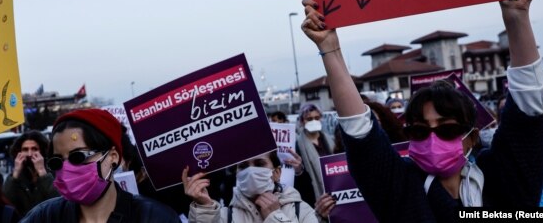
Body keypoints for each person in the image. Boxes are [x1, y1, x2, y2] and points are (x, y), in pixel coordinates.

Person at [301, 0, 543, 220]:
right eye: (419, 130)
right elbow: (359, 132)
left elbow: (529, 108)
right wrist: (329, 48)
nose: (432, 139)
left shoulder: (501, 178)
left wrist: (517, 17)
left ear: (472, 138)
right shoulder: (403, 189)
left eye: (446, 128)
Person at [20, 108, 180, 222]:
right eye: (57, 161)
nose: (67, 168)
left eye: (78, 156)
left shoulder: (153, 217)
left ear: (112, 157)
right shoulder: (44, 217)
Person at [182, 150, 318, 222]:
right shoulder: (223, 216)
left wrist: (275, 217)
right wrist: (204, 209)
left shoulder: (301, 211)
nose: (250, 171)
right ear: (237, 174)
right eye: (243, 166)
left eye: (259, 164)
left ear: (276, 172)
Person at [3, 130, 59, 215]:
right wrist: (15, 173)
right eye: (25, 149)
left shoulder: (52, 172)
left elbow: (57, 199)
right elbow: (6, 200)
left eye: (34, 149)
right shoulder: (16, 177)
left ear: (42, 151)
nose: (30, 154)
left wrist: (42, 173)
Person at [295, 104, 334, 202]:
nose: (314, 121)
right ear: (302, 121)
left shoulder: (331, 140)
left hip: (335, 186)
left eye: (317, 118)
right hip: (313, 195)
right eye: (309, 119)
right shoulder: (298, 145)